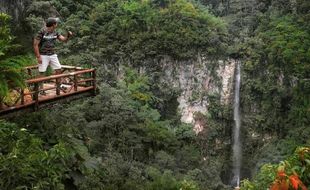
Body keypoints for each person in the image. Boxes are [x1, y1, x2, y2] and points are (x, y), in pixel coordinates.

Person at [33, 17, 72, 94]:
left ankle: (58, 85)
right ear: (53, 24)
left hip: (52, 54)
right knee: (42, 72)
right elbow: (35, 44)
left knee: (58, 69)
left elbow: (63, 40)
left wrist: (68, 36)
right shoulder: (41, 32)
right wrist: (38, 57)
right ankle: (41, 90)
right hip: (43, 55)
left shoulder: (55, 32)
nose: (57, 24)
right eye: (56, 23)